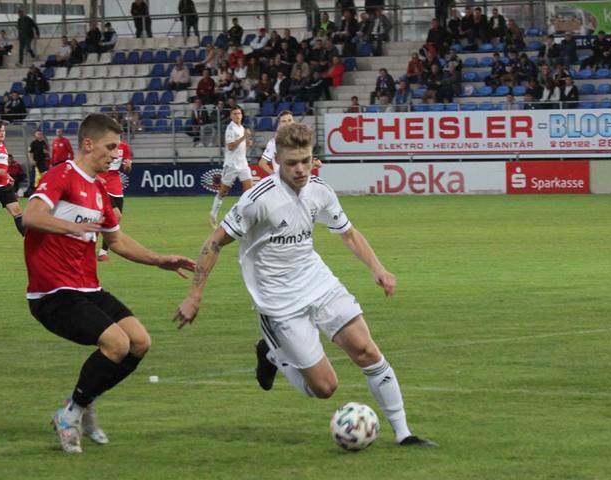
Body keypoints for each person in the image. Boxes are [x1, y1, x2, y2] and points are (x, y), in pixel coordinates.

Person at [174, 123, 438, 448]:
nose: (300, 169)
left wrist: (379, 270)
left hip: (318, 283)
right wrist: (194, 295)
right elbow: (214, 243)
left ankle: (404, 434)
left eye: (306, 160)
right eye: (291, 163)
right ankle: (273, 354)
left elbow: (349, 234)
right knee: (325, 388)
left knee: (367, 351)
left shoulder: (320, 190)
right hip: (278, 302)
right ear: (278, 161)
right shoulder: (258, 200)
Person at [22, 113, 195, 454]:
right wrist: (68, 226)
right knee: (116, 344)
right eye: (110, 146)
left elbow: (116, 241)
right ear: (88, 144)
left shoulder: (100, 189)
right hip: (52, 292)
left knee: (140, 342)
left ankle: (81, 403)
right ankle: (70, 414)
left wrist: (159, 259)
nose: (116, 154)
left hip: (87, 288)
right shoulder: (63, 176)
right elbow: (31, 216)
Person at [209, 105, 252, 227]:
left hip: (243, 164)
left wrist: (247, 142)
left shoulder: (241, 127)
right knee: (223, 191)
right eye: (235, 114)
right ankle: (213, 214)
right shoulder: (230, 129)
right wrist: (244, 137)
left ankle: (246, 216)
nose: (238, 116)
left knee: (250, 191)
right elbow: (231, 146)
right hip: (231, 165)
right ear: (231, 116)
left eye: (239, 113)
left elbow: (241, 146)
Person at [97, 136, 132, 261]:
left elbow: (127, 169)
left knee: (116, 219)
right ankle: (101, 251)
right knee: (115, 216)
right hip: (102, 182)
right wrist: (97, 177)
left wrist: (128, 166)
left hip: (116, 185)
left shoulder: (124, 147)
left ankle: (102, 251)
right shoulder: (102, 144)